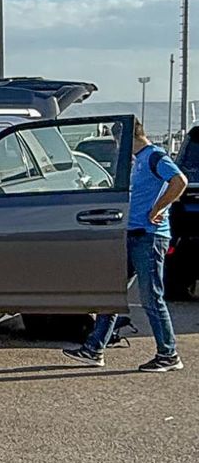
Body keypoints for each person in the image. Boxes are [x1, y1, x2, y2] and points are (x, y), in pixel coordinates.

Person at [64, 120, 187, 372]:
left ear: (129, 137)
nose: (118, 147)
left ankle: (168, 353)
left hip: (149, 236)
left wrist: (159, 207)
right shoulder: (140, 160)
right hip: (133, 235)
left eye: (119, 141)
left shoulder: (155, 156)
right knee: (113, 291)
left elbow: (179, 181)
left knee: (151, 297)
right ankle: (94, 348)